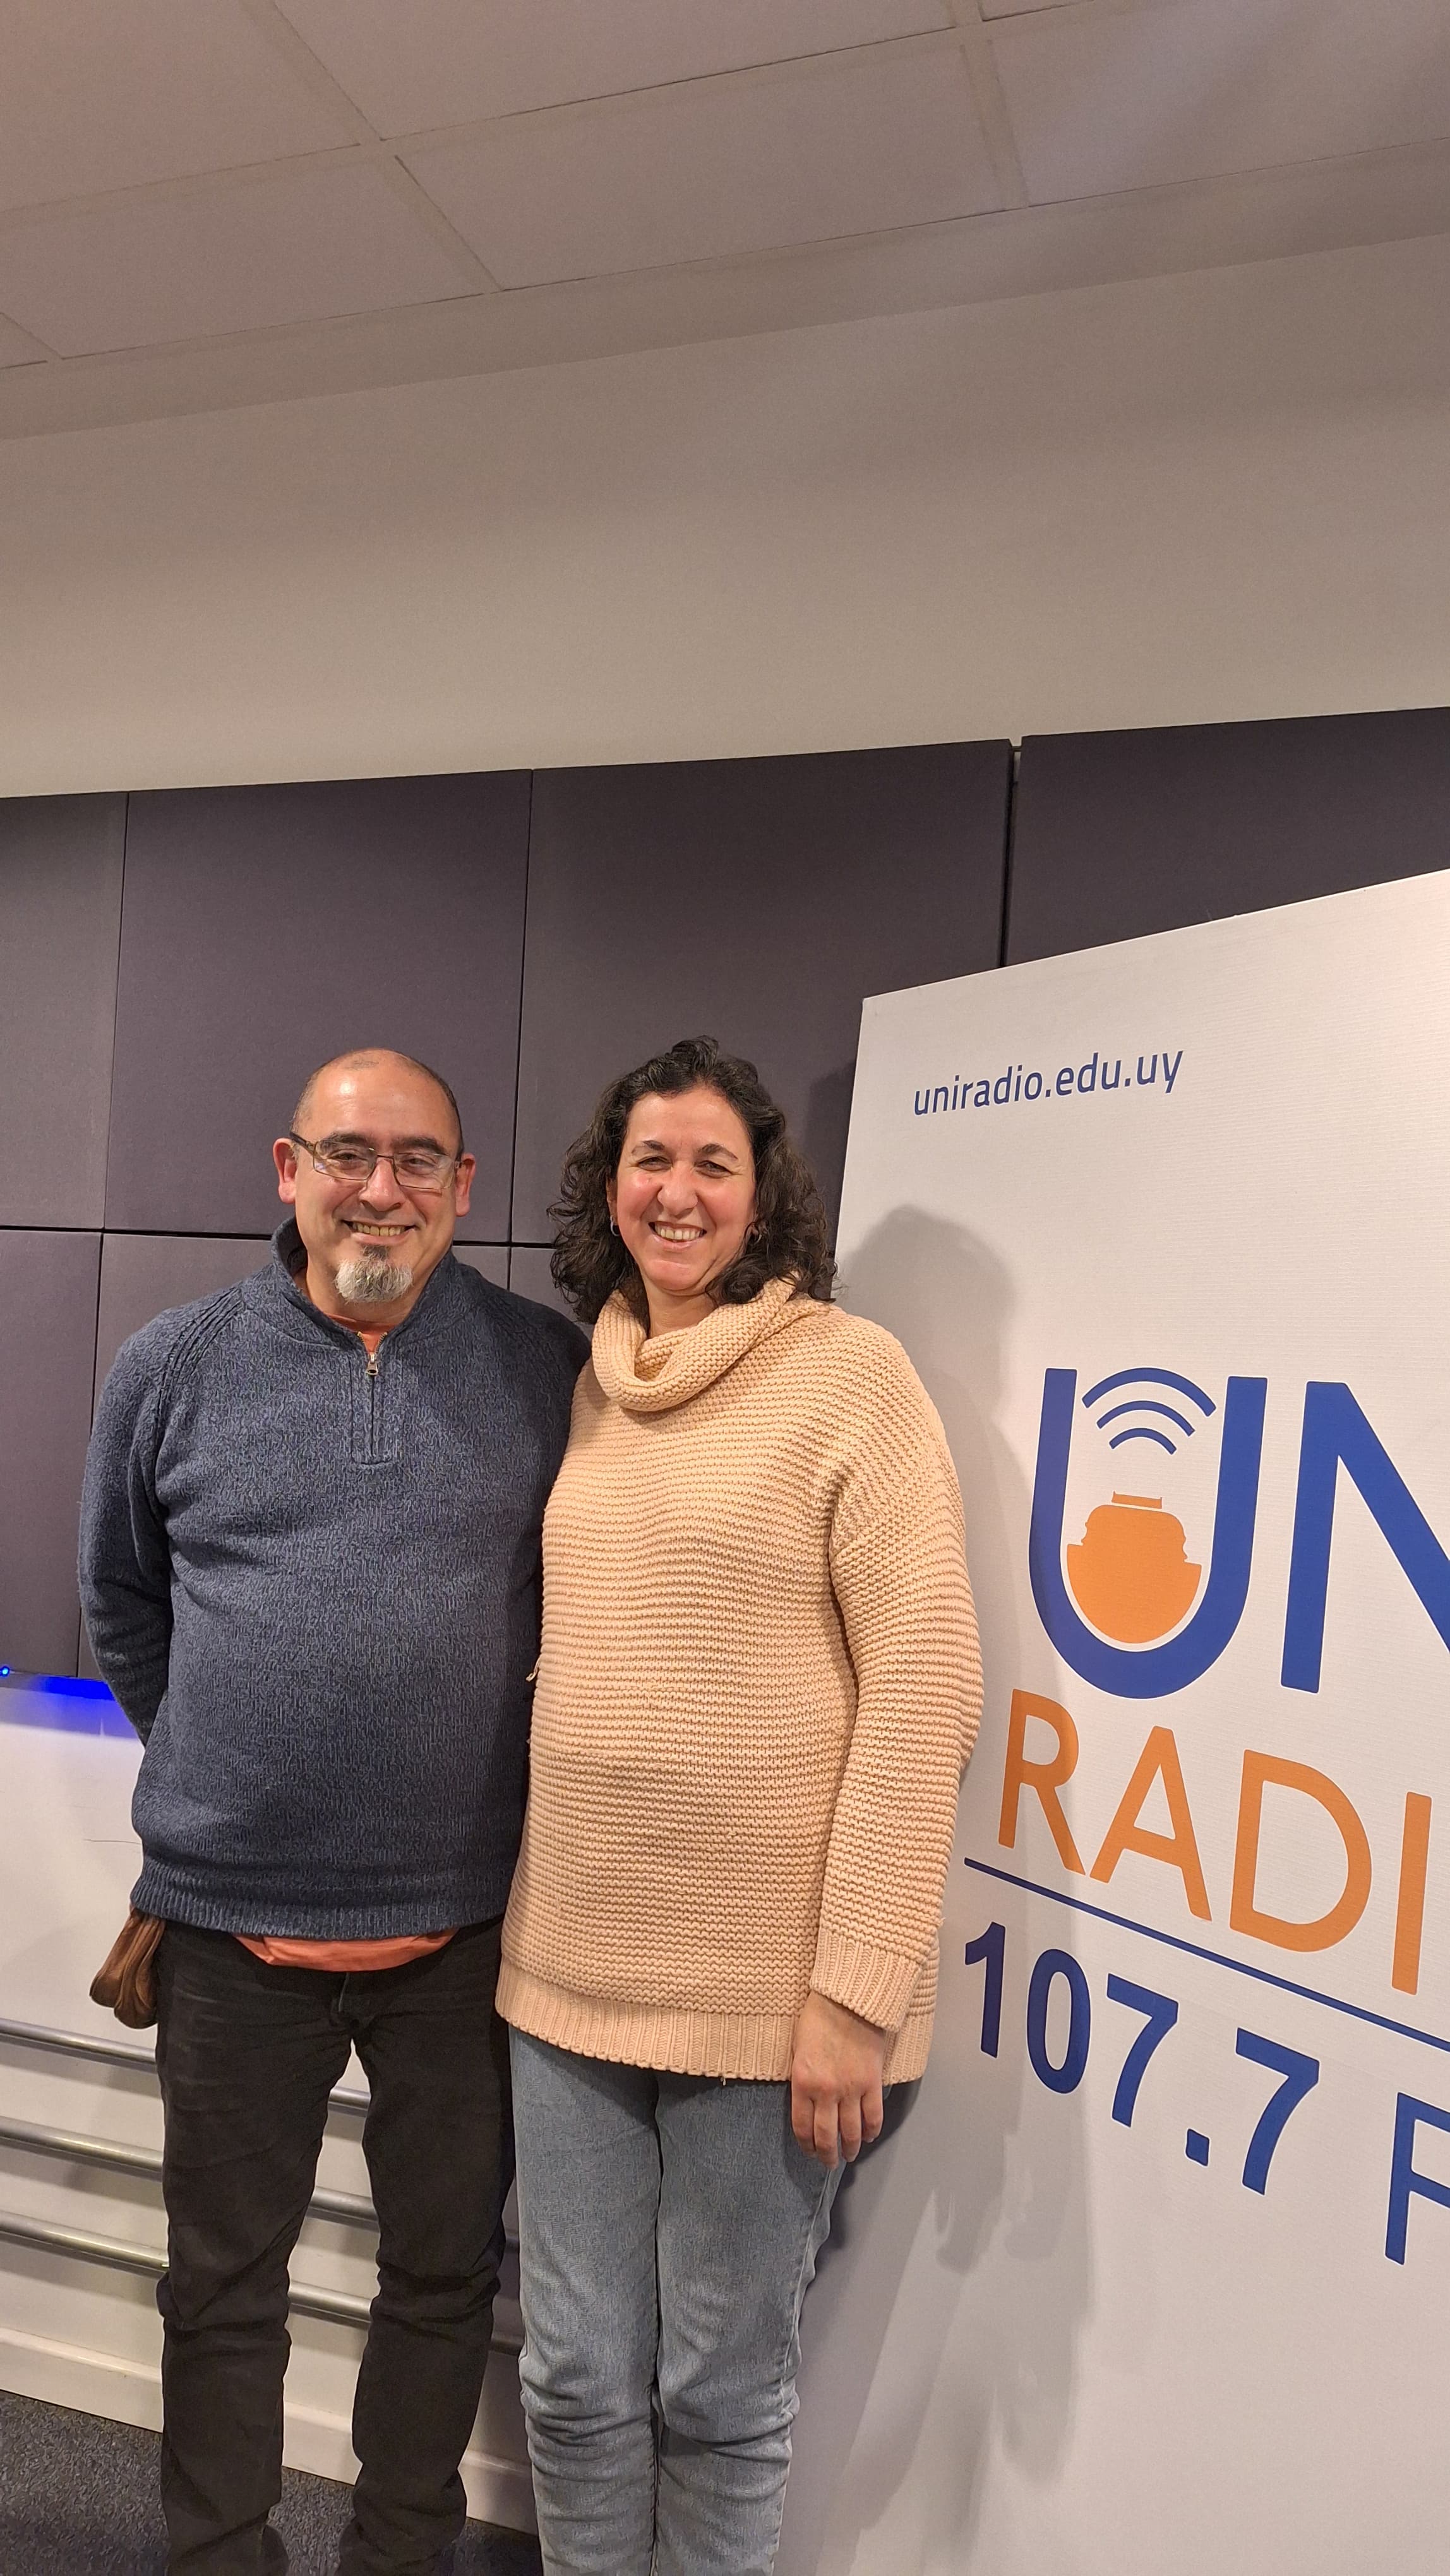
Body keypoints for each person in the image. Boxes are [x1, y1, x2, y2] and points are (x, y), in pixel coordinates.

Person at [78, 1047, 587, 2576]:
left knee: (441, 2281)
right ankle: (219, 2555)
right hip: (228, 1934)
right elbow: (122, 1602)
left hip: (469, 1930)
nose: (382, 1188)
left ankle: (398, 2552)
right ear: (288, 1170)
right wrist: (225, 1771)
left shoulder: (541, 1366)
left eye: (418, 1158)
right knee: (220, 2290)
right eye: (348, 1155)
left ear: (463, 1187)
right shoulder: (171, 1366)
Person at [498, 1034, 983, 2576]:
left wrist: (856, 1989)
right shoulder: (591, 1383)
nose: (679, 1190)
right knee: (570, 2381)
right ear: (609, 1187)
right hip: (566, 1979)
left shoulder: (848, 1376)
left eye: (714, 1163)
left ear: (761, 1195)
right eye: (650, 1159)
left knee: (716, 2398)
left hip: (770, 2004)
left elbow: (926, 1686)